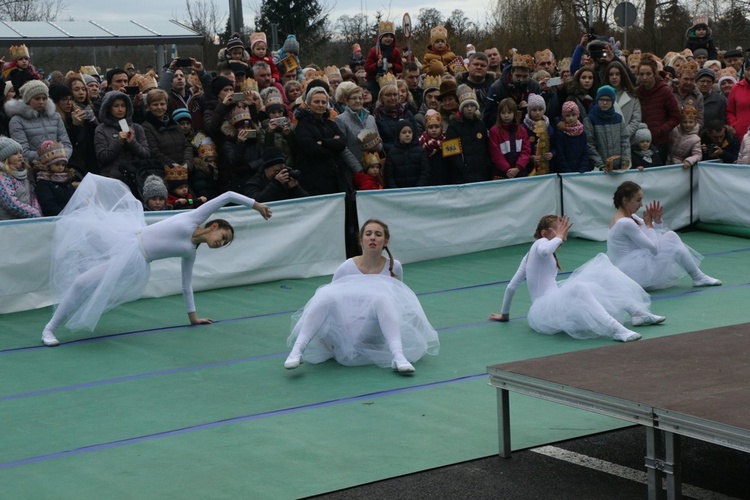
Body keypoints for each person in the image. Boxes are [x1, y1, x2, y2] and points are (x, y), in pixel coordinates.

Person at [40, 173, 271, 346]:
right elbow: (228, 196)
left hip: (134, 260)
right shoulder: (193, 218)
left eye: (224, 243)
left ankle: (49, 329)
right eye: (223, 237)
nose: (221, 243)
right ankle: (50, 327)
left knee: (83, 283)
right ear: (213, 226)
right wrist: (256, 205)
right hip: (125, 237)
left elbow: (186, 285)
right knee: (83, 226)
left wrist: (193, 318)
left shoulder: (190, 252)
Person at [284, 219, 440, 373]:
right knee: (325, 294)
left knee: (382, 298)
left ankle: (398, 356)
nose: (373, 237)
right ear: (361, 240)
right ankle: (297, 350)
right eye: (368, 234)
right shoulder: (346, 267)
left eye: (378, 234)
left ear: (385, 241)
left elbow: (399, 301)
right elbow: (333, 303)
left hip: (372, 333)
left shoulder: (394, 267)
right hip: (345, 329)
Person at [490, 214, 664, 343]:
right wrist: (558, 238)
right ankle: (616, 329)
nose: (563, 233)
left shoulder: (539, 253)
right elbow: (544, 251)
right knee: (579, 287)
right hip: (543, 310)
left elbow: (511, 287)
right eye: (559, 229)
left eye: (564, 229)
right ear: (544, 233)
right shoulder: (538, 245)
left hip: (553, 302)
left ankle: (638, 313)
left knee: (601, 274)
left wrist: (505, 314)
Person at [607, 181, 721, 292]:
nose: (641, 204)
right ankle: (698, 277)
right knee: (671, 237)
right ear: (625, 200)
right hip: (632, 273)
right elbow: (654, 248)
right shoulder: (625, 223)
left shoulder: (632, 218)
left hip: (634, 266)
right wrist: (649, 224)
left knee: (671, 237)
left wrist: (656, 221)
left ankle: (698, 277)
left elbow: (655, 236)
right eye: (638, 200)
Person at [584, 85, 631, 171]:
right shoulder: (590, 119)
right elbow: (589, 144)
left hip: (619, 167)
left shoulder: (618, 118)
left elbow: (625, 141)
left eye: (608, 100)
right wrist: (600, 164)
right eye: (602, 99)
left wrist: (625, 161)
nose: (604, 103)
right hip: (599, 169)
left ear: (612, 101)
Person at [0, 135, 42, 219]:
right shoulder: (3, 177)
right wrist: (34, 213)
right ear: (5, 157)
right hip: (9, 225)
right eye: (15, 154)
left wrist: (36, 209)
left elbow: (33, 196)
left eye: (20, 152)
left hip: (26, 222)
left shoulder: (24, 175)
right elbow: (10, 203)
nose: (20, 156)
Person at [488, 97, 531, 179]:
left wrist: (518, 168)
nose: (506, 115)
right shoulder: (494, 131)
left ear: (514, 113)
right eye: (503, 113)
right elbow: (495, 154)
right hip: (501, 174)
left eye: (509, 112)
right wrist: (507, 169)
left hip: (520, 172)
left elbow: (526, 150)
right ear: (499, 114)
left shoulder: (522, 130)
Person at [33, 140, 76, 216]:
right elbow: (48, 206)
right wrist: (64, 215)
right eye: (57, 164)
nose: (60, 167)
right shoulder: (44, 184)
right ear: (48, 165)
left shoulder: (66, 180)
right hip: (58, 219)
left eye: (63, 165)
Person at [384, 120, 429, 187]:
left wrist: (418, 188)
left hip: (418, 192)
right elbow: (389, 176)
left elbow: (425, 173)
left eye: (410, 132)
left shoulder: (420, 151)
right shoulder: (392, 153)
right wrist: (396, 190)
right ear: (398, 134)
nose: (407, 134)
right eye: (404, 132)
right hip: (399, 193)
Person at [552, 101, 589, 173]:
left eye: (573, 115)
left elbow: (585, 153)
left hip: (580, 171)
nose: (571, 118)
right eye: (568, 115)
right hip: (565, 172)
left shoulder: (582, 133)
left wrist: (583, 168)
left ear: (578, 115)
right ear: (563, 116)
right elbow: (560, 155)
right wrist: (567, 171)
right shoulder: (560, 133)